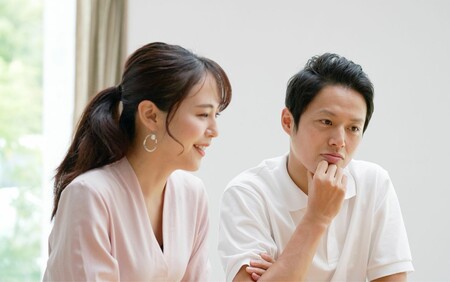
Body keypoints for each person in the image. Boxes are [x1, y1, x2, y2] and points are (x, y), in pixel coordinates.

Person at [43, 42, 232, 281]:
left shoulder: (192, 195)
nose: (214, 130)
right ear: (150, 115)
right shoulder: (89, 195)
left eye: (216, 115)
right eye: (203, 115)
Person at [218, 53, 414, 281]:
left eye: (353, 128)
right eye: (327, 122)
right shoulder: (247, 193)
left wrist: (278, 271)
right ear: (288, 122)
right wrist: (317, 217)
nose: (339, 141)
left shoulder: (374, 184)